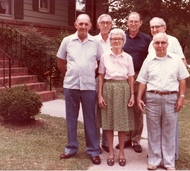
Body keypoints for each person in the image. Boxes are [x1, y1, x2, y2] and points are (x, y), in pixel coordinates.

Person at [136, 32, 190, 170]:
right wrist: (138, 98)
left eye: (163, 43)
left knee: (169, 130)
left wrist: (181, 97)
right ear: (153, 45)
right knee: (153, 130)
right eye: (157, 43)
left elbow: (182, 79)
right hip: (152, 98)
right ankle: (154, 160)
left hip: (171, 98)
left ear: (167, 44)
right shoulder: (148, 60)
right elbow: (142, 81)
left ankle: (168, 162)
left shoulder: (176, 60)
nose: (160, 46)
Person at [57, 14, 103, 165]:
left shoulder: (95, 43)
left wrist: (90, 75)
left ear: (90, 26)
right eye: (80, 23)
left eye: (86, 24)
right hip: (71, 85)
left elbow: (100, 64)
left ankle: (93, 150)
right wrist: (70, 75)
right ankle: (71, 148)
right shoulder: (67, 41)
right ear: (75, 24)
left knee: (90, 119)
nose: (83, 26)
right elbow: (61, 62)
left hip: (89, 86)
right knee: (71, 118)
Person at [148, 17, 187, 160]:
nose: (154, 29)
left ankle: (172, 155)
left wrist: (181, 94)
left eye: (157, 26)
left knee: (170, 127)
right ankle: (156, 154)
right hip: (155, 90)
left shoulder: (173, 41)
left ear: (164, 27)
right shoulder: (151, 43)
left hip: (171, 90)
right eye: (152, 27)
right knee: (155, 127)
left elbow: (182, 62)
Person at [97, 28, 135, 166]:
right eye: (113, 39)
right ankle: (111, 153)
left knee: (122, 123)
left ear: (123, 41)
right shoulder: (105, 56)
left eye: (119, 38)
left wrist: (132, 95)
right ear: (110, 41)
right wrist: (100, 95)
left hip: (123, 89)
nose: (116, 41)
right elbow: (100, 76)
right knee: (108, 122)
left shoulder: (128, 58)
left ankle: (122, 153)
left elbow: (131, 78)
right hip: (108, 88)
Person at [115, 12, 152, 153]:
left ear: (141, 23)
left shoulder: (146, 39)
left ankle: (136, 139)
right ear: (127, 22)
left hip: (138, 77)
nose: (133, 24)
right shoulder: (121, 37)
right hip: (122, 77)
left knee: (137, 108)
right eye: (131, 21)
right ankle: (125, 139)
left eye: (136, 21)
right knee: (124, 109)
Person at [94, 14, 113, 153]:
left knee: (107, 111)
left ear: (111, 25)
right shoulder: (93, 41)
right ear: (98, 24)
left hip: (111, 80)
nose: (105, 25)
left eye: (108, 23)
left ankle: (106, 142)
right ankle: (95, 143)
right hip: (96, 78)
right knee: (95, 112)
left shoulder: (115, 40)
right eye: (103, 23)